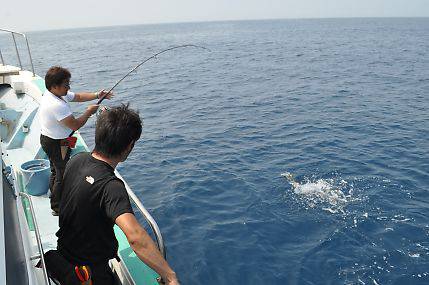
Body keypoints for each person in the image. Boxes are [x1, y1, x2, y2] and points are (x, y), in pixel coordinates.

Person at [47, 104, 179, 285]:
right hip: (89, 273)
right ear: (129, 147)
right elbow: (135, 237)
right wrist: (170, 276)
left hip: (63, 253)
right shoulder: (112, 187)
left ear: (98, 134)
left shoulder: (77, 159)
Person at [39, 66, 113, 215]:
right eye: (66, 85)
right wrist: (89, 112)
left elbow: (78, 97)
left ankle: (55, 197)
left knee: (56, 169)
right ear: (54, 86)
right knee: (62, 172)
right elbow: (76, 124)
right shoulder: (56, 105)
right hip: (57, 143)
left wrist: (97, 94)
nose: (69, 87)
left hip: (55, 139)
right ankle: (57, 207)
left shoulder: (57, 94)